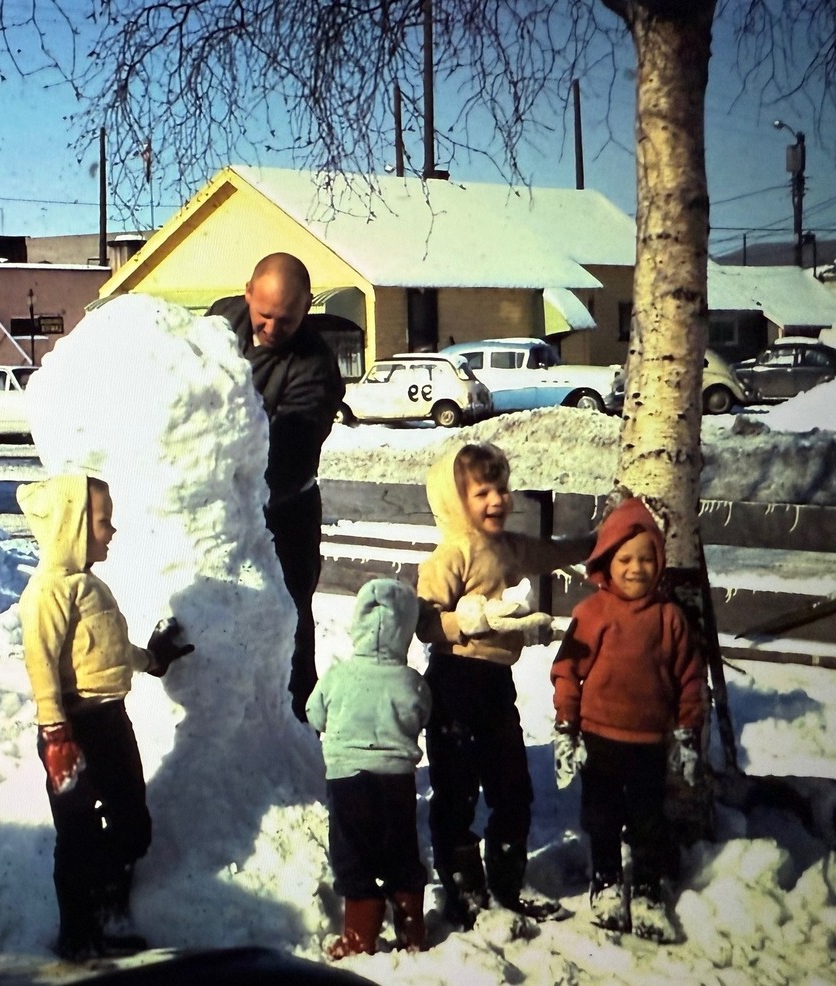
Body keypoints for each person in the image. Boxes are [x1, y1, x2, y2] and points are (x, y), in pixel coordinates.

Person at [415, 442, 594, 929]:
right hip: (454, 684)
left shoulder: (511, 546)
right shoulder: (450, 555)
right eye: (481, 493)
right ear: (456, 500)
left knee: (512, 787)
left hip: (496, 686)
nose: (497, 500)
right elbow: (424, 622)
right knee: (455, 793)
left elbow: (554, 553)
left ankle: (507, 883)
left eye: (502, 488)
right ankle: (463, 889)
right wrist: (465, 623)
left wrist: (603, 540)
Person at [17, 474, 194, 960]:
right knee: (77, 836)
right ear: (72, 526)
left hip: (110, 721)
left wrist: (152, 659)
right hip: (70, 730)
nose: (111, 531)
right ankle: (79, 932)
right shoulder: (48, 592)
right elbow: (42, 665)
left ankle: (111, 907)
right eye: (102, 522)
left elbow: (107, 651)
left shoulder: (90, 586)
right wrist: (56, 735)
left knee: (132, 822)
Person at [550, 496, 706, 944]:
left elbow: (689, 677)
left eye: (646, 558)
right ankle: (606, 881)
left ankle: (647, 888)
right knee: (601, 816)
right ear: (607, 562)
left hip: (649, 742)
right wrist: (567, 725)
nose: (636, 568)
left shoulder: (669, 618)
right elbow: (567, 671)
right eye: (625, 559)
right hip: (600, 739)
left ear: (659, 561)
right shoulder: (591, 614)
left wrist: (687, 730)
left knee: (647, 819)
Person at [208, 253, 347, 723]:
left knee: (287, 619)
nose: (269, 327)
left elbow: (284, 460)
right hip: (218, 502)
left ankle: (293, 725)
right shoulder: (220, 320)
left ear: (307, 308)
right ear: (247, 292)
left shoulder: (315, 368)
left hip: (284, 512)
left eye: (285, 320)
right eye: (263, 314)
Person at [306, 578, 433, 959]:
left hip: (347, 781)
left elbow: (314, 714)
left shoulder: (337, 676)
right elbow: (421, 716)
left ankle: (361, 933)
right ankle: (411, 923)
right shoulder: (412, 682)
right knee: (400, 847)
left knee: (352, 852)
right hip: (395, 780)